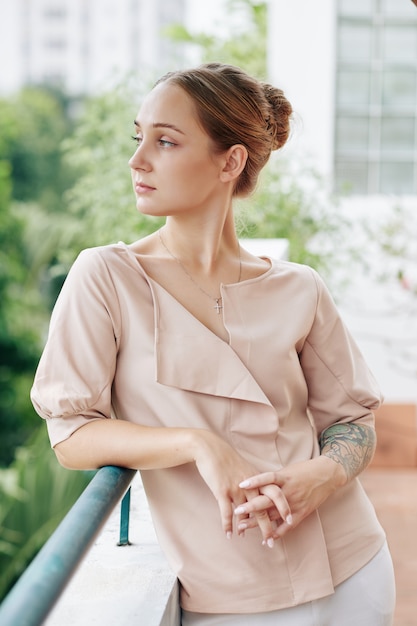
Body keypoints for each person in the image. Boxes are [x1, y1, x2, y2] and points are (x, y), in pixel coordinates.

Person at [31, 63, 396, 625]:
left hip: (352, 569)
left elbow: (354, 421)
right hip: (229, 597)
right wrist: (198, 443)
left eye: (166, 141)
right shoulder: (105, 277)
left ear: (230, 161)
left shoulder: (298, 286)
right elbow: (72, 433)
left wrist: (320, 476)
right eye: (139, 138)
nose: (138, 160)